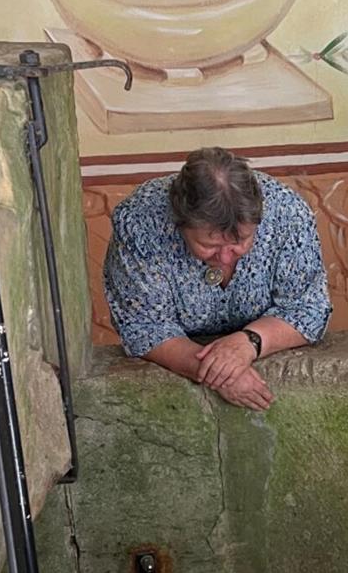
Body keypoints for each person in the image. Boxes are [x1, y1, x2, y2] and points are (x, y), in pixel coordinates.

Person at [104, 147, 332, 410]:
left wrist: (250, 343)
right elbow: (143, 325)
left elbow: (308, 308)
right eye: (209, 245)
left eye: (241, 241)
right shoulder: (139, 222)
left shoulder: (288, 213)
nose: (224, 258)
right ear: (180, 223)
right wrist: (216, 370)